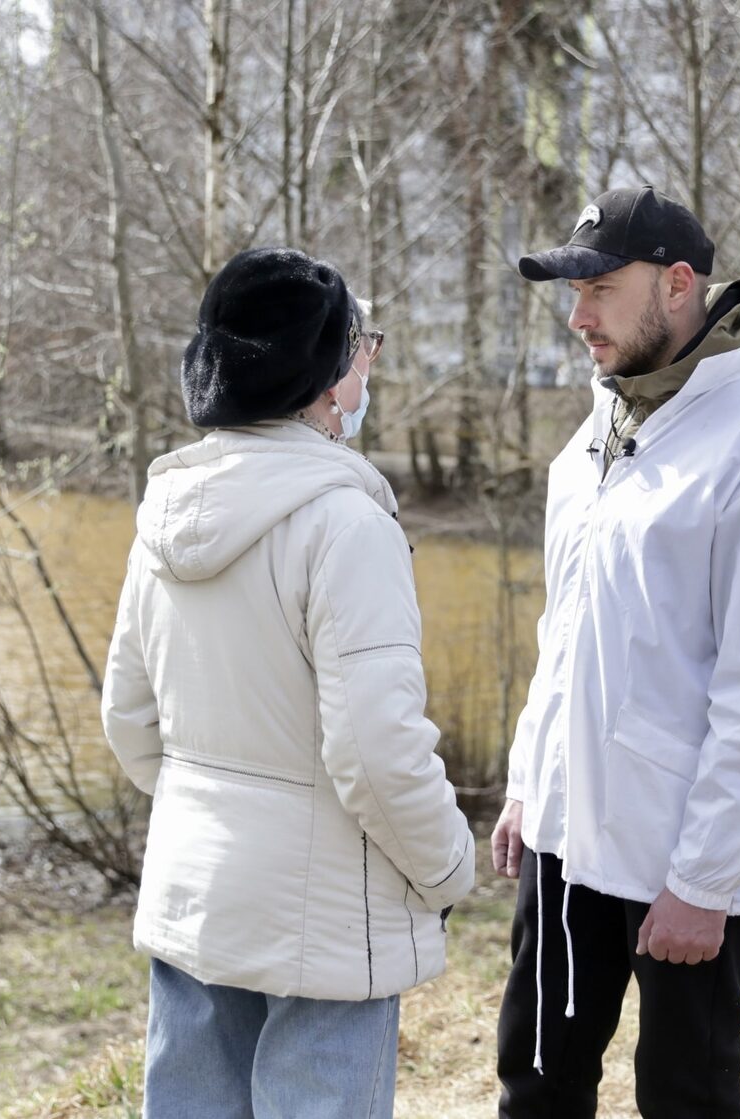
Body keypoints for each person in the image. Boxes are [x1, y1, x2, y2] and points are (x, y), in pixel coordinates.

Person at [490, 186, 740, 1119]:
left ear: (679, 283)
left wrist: (704, 879)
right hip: (565, 840)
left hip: (678, 858)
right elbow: (562, 635)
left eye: (600, 288)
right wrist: (530, 782)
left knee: (683, 1096)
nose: (578, 317)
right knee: (535, 1086)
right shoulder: (596, 435)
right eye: (574, 293)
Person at [102, 246, 475, 1119]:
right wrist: (448, 867)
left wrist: (218, 808)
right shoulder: (346, 522)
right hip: (326, 919)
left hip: (196, 893)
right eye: (360, 346)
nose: (367, 365)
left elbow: (128, 719)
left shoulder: (166, 511)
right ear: (325, 375)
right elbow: (377, 752)